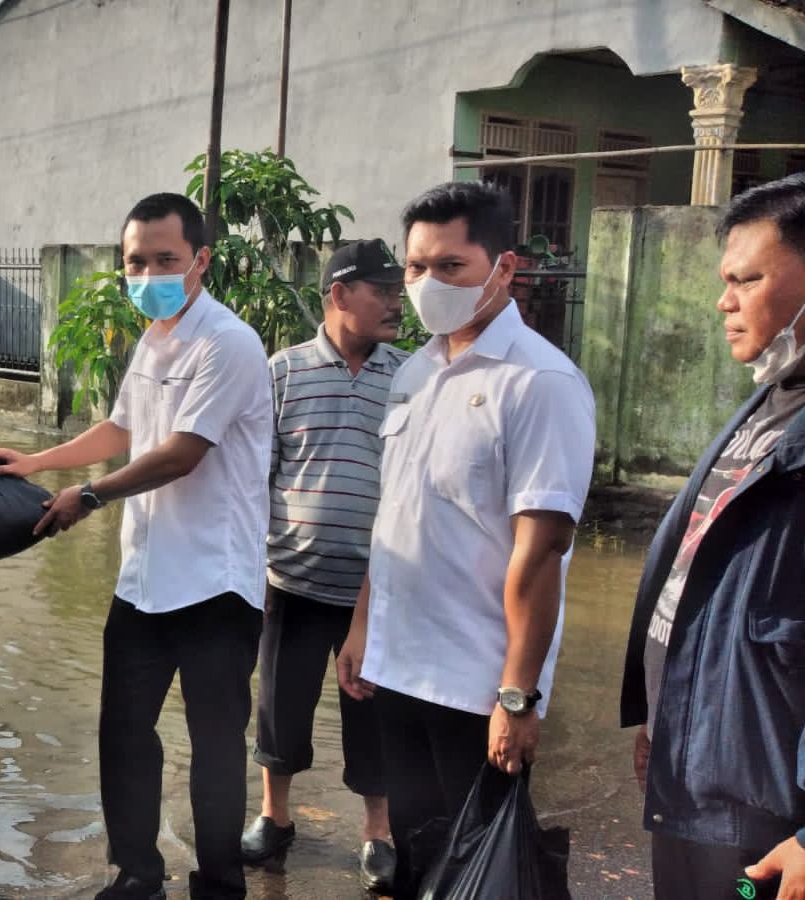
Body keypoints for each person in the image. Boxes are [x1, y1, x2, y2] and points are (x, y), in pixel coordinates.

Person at [0, 193, 272, 900]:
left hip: (215, 586)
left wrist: (92, 496)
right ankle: (139, 873)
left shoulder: (227, 342)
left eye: (165, 259)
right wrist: (36, 462)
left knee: (215, 749)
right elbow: (121, 432)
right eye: (136, 261)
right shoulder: (154, 337)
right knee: (124, 734)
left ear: (200, 260)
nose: (148, 273)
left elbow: (181, 453)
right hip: (144, 579)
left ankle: (220, 885)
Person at [336, 180, 596, 900]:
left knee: (488, 871)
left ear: (503, 268)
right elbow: (398, 514)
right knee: (422, 860)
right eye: (416, 268)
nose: (425, 284)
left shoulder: (540, 382)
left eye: (450, 266)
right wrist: (362, 627)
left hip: (476, 686)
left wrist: (517, 696)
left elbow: (541, 551)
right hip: (400, 669)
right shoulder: (415, 374)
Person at [620, 173, 805, 900]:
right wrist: (665, 716)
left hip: (771, 816)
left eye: (747, 279)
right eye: (724, 280)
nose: (723, 302)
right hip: (703, 771)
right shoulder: (771, 402)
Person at [240, 239, 407, 893]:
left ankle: (377, 833)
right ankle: (274, 818)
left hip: (379, 588)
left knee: (374, 712)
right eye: (382, 289)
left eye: (398, 288)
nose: (398, 300)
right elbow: (260, 476)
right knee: (279, 706)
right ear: (340, 293)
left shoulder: (409, 377)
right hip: (292, 581)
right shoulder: (281, 373)